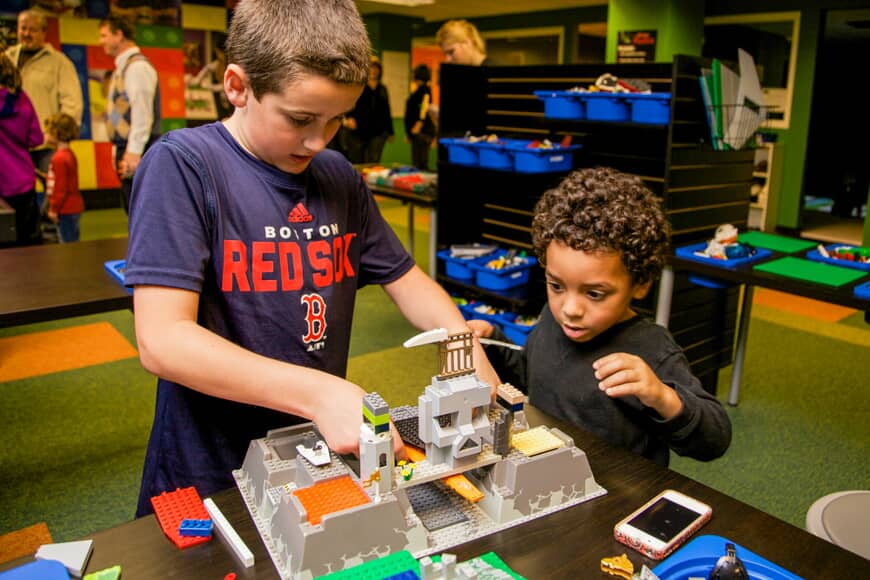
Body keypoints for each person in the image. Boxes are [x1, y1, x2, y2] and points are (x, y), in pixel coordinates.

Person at [123, 0, 499, 517]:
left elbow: (406, 279)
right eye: (299, 118)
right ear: (238, 86)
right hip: (210, 470)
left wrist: (460, 341)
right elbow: (163, 341)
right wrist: (321, 394)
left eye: (336, 120)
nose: (317, 139)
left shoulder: (338, 176)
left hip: (316, 456)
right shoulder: (184, 166)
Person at [468, 167, 731, 467]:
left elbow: (716, 437)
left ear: (640, 282)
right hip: (547, 476)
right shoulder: (553, 321)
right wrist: (494, 343)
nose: (570, 308)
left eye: (594, 294)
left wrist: (661, 396)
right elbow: (532, 377)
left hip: (616, 495)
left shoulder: (652, 349)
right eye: (556, 286)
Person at [5, 10, 83, 181]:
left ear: (43, 32)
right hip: (12, 146)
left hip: (47, 145)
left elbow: (72, 103)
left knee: (56, 194)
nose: (26, 34)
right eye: (22, 28)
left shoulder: (60, 62)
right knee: (16, 200)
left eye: (32, 30)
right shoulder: (6, 59)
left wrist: (58, 136)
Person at [98, 15, 160, 215]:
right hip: (128, 147)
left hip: (139, 150)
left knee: (141, 211)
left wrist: (133, 152)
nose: (101, 41)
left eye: (104, 35)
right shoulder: (123, 68)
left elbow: (143, 113)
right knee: (132, 208)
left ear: (119, 34)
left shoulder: (137, 67)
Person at [0, 53, 44, 246]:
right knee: (29, 244)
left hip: (2, 186)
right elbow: (36, 138)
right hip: (24, 181)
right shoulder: (23, 99)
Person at [339, 55, 393, 164]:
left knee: (373, 164)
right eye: (371, 67)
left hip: (378, 132)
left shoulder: (383, 89)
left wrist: (391, 131)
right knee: (357, 163)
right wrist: (347, 119)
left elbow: (386, 110)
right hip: (357, 132)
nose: (374, 70)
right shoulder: (357, 85)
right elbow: (344, 104)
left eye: (376, 68)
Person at [44, 112, 83, 243]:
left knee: (68, 243)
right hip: (72, 207)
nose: (46, 135)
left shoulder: (59, 158)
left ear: (56, 134)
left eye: (48, 132)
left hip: (66, 209)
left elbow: (61, 188)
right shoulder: (68, 154)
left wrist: (54, 209)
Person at [404, 64, 436, 171]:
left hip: (422, 131)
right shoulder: (419, 90)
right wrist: (409, 133)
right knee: (417, 161)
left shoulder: (425, 90)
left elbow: (424, 108)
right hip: (416, 131)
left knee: (420, 162)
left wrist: (419, 123)